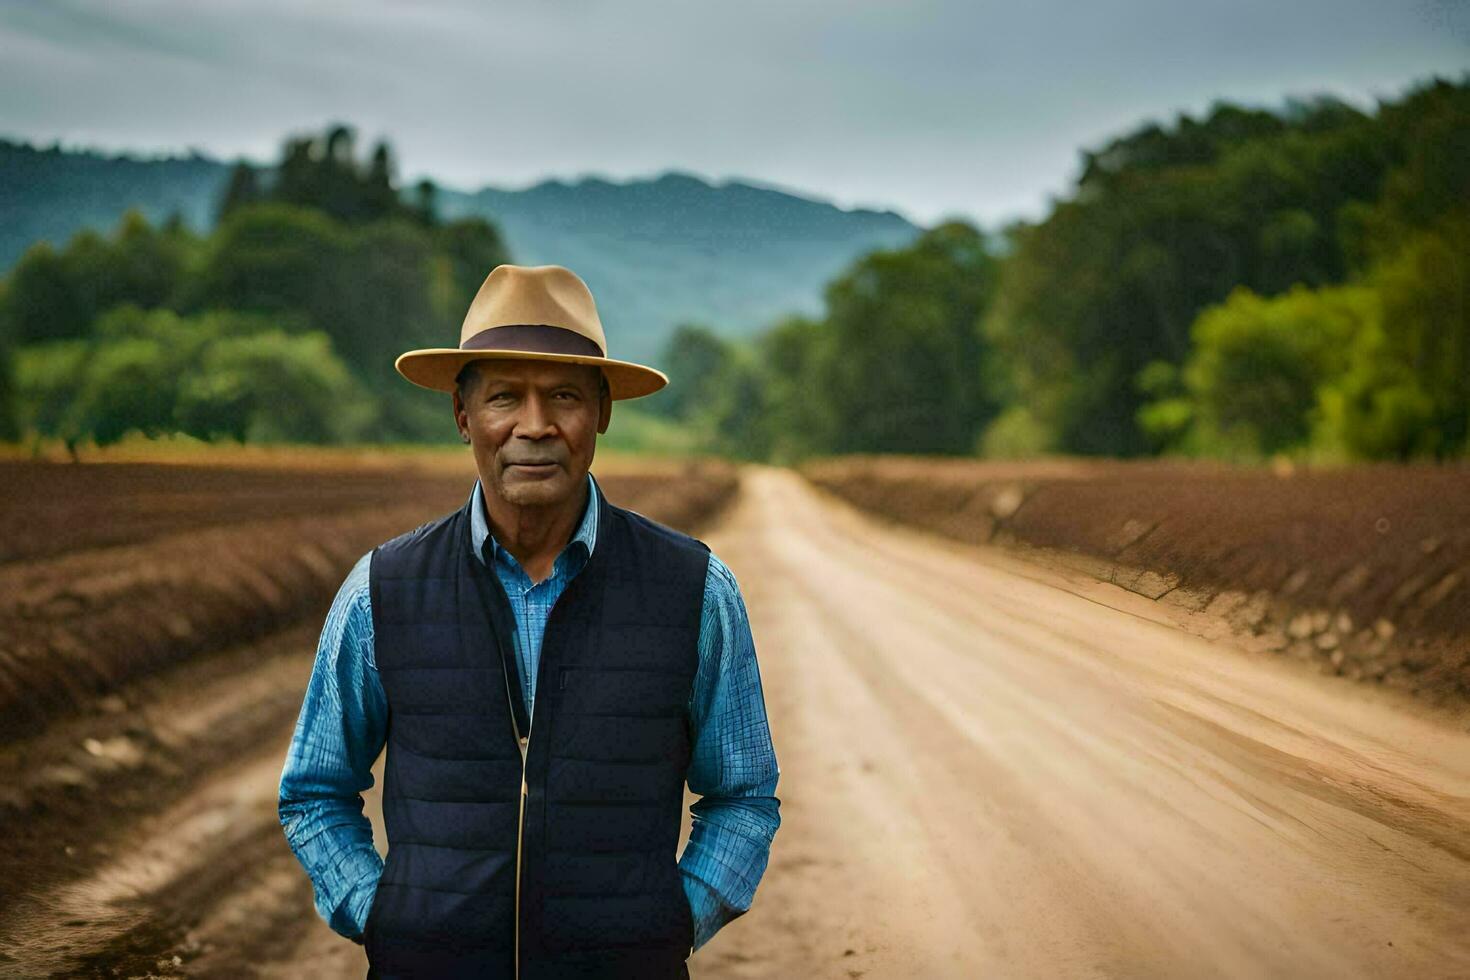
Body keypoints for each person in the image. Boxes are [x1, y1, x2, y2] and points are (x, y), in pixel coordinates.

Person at [277, 264, 781, 979]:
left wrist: (667, 926)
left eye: (565, 397)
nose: (535, 426)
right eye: (505, 397)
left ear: (602, 412)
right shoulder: (381, 591)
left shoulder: (696, 590)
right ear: (462, 415)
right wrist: (388, 917)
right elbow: (313, 790)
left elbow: (743, 796)